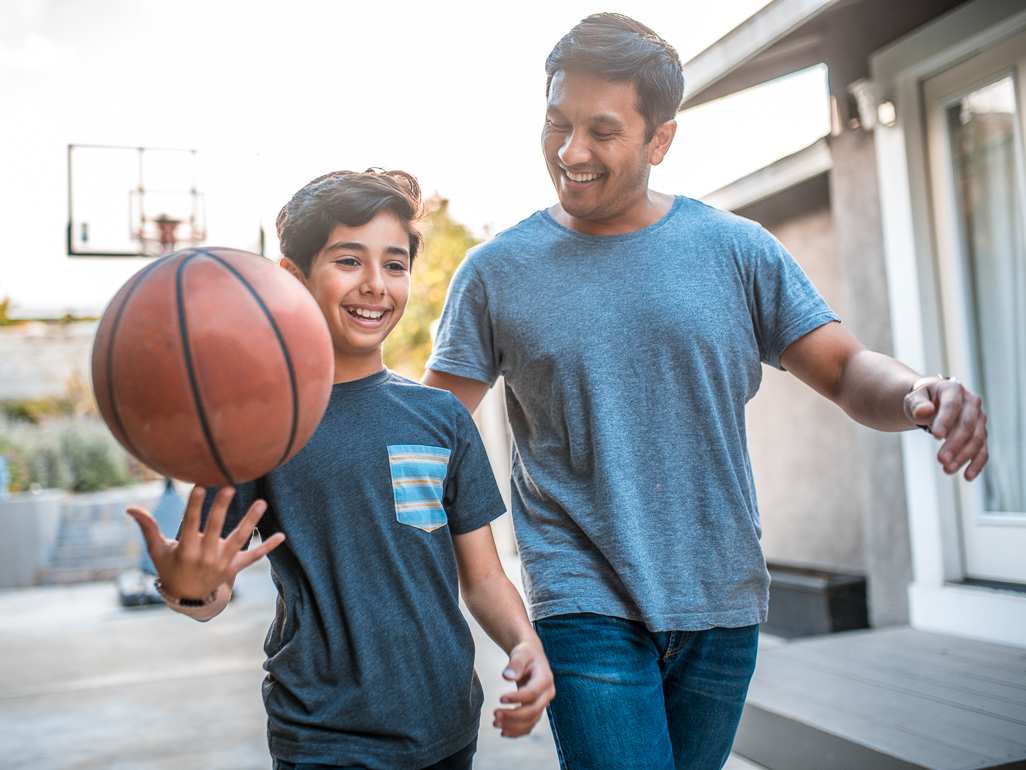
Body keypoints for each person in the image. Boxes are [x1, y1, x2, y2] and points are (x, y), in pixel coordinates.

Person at [422, 13, 988, 770]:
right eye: (556, 123)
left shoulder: (737, 251)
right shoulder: (496, 273)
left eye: (602, 130)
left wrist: (920, 390)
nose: (570, 151)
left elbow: (847, 370)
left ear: (661, 140)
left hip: (719, 598)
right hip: (580, 598)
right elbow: (432, 436)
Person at [127, 169, 555, 770]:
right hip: (324, 735)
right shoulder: (256, 428)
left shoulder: (440, 417)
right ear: (292, 279)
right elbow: (212, 590)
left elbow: (482, 578)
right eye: (349, 261)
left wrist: (524, 643)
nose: (376, 285)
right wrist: (185, 583)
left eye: (396, 264)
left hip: (447, 726)